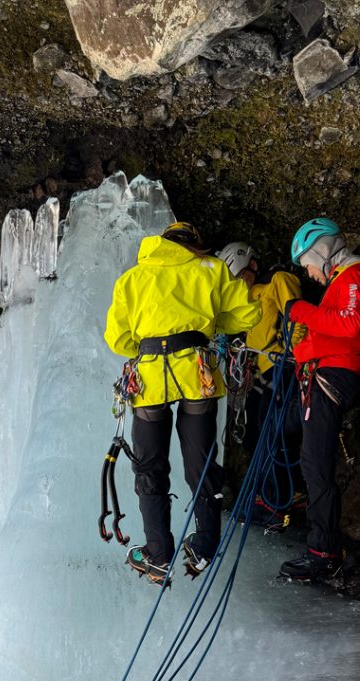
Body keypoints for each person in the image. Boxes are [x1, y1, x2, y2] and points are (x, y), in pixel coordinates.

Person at [104, 222, 261, 584]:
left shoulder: (132, 278)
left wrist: (144, 349)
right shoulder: (211, 269)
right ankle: (205, 544)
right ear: (195, 244)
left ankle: (158, 554)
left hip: (150, 379)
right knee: (202, 463)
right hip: (196, 372)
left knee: (149, 467)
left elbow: (117, 338)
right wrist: (209, 323)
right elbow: (246, 315)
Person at [279, 217, 360, 582]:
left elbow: (348, 324)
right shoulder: (348, 280)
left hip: (331, 378)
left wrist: (299, 310)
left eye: (307, 264)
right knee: (297, 445)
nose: (310, 274)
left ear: (321, 251)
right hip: (326, 375)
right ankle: (302, 525)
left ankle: (323, 553)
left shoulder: (354, 277)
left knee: (315, 465)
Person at [215, 242, 304, 529]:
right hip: (261, 372)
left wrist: (295, 352)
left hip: (282, 367)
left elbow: (296, 315)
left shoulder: (278, 280)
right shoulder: (248, 296)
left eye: (240, 276)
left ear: (252, 265)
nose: (240, 284)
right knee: (254, 435)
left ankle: (277, 502)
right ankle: (271, 495)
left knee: (272, 432)